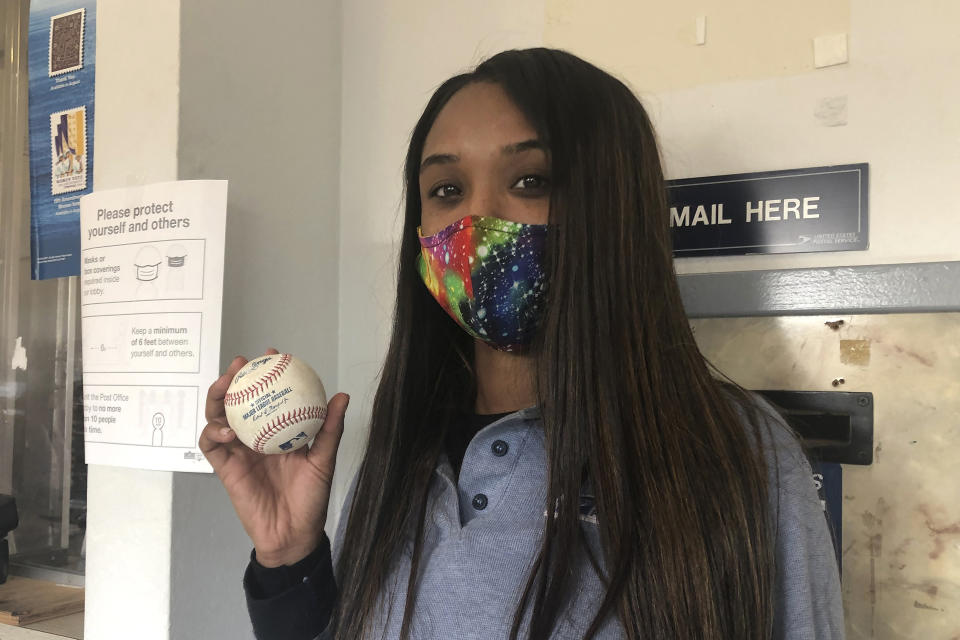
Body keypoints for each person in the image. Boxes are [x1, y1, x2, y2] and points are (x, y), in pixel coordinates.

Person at [201, 48, 844, 640]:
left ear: (613, 205)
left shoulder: (737, 454)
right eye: (446, 190)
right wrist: (290, 560)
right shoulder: (402, 452)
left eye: (531, 181)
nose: (478, 224)